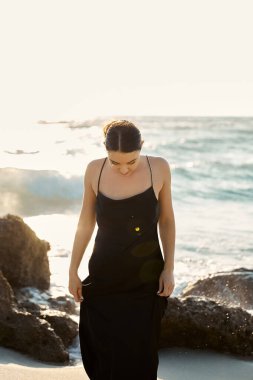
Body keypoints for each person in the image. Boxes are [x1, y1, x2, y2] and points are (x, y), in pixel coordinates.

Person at [68, 119, 175, 380]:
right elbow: (85, 221)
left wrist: (169, 269)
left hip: (145, 278)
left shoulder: (158, 168)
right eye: (115, 162)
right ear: (105, 152)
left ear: (142, 148)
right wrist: (73, 270)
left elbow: (167, 220)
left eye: (131, 161)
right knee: (103, 356)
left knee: (141, 356)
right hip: (104, 276)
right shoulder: (94, 169)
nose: (124, 169)